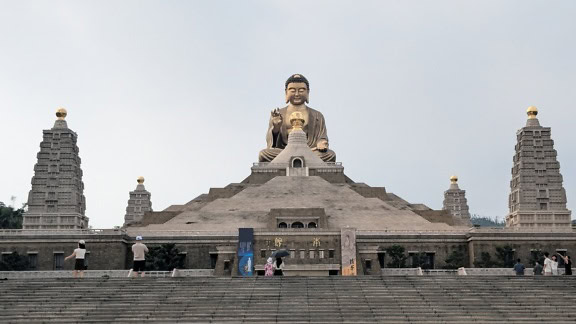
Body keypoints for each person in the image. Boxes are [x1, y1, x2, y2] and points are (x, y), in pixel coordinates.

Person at [259, 74, 336, 162]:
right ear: (286, 92)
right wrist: (276, 127)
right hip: (284, 152)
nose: (296, 94)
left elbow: (322, 137)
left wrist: (321, 143)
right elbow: (272, 144)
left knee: (330, 155)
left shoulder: (317, 115)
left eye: (301, 90)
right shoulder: (278, 114)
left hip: (310, 151)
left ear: (308, 92)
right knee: (263, 154)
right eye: (292, 90)